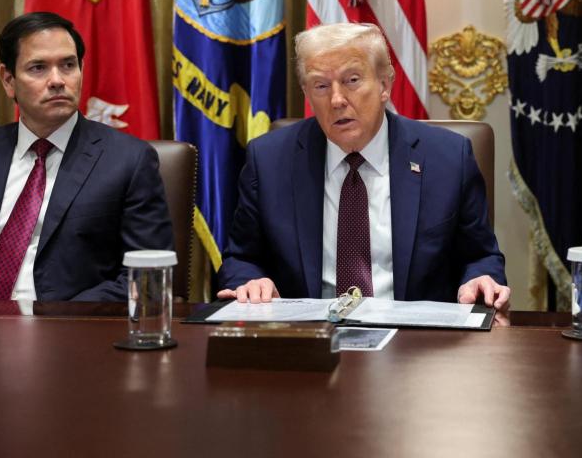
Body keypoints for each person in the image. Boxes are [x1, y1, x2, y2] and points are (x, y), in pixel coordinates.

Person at [218, 22, 510, 311]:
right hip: (310, 334)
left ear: (384, 85)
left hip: (415, 335)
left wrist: (479, 280)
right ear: (306, 93)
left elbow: (480, 257)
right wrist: (251, 280)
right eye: (321, 85)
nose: (336, 100)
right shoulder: (269, 160)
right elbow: (240, 259)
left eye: (352, 80)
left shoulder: (447, 158)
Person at [0, 12, 173, 302]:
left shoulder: (129, 161)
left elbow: (147, 277)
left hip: (66, 322)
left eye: (68, 65)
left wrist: (57, 317)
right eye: (38, 68)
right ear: (8, 80)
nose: (57, 80)